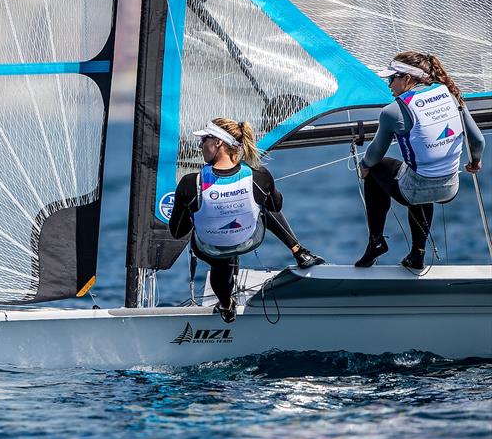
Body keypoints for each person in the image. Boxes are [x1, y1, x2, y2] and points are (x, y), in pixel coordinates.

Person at [169, 118, 324, 322]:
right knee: (263, 203)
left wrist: (195, 211)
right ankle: (299, 252)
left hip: (210, 248)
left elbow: (178, 232)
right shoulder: (258, 176)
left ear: (218, 142)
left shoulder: (191, 182)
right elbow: (276, 206)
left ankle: (226, 306)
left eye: (204, 139)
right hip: (249, 239)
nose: (200, 145)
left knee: (219, 259)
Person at [355, 51, 485, 269]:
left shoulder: (392, 111)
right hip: (450, 189)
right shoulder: (450, 96)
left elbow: (375, 153)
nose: (389, 85)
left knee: (379, 168)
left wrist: (364, 166)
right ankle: (417, 254)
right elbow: (478, 141)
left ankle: (375, 242)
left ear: (407, 79)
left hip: (415, 190)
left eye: (391, 79)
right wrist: (476, 161)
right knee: (414, 171)